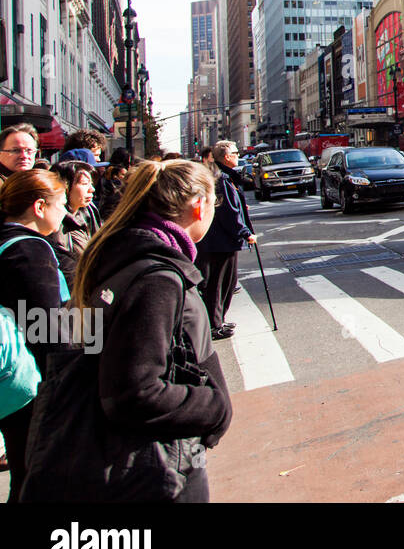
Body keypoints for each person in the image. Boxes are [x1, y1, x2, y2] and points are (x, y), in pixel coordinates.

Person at [22, 160, 233, 502]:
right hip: (151, 469)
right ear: (199, 206)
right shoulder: (156, 278)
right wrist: (214, 405)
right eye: (213, 205)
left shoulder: (127, 256)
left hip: (132, 460)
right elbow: (133, 391)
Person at [0, 170, 69, 500]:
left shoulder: (5, 240)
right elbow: (46, 328)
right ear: (40, 206)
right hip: (32, 385)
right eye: (61, 204)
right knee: (37, 479)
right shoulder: (29, 250)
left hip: (12, 380)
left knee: (25, 473)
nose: (65, 212)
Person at [194, 140, 255, 340]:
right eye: (236, 152)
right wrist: (245, 232)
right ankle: (214, 324)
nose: (239, 155)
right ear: (227, 157)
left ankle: (218, 320)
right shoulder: (221, 178)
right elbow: (229, 212)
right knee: (218, 284)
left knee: (226, 283)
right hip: (219, 241)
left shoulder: (224, 177)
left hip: (222, 240)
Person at [48, 161, 101, 280]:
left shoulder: (90, 213)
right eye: (84, 183)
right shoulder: (53, 222)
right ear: (65, 186)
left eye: (91, 183)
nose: (91, 189)